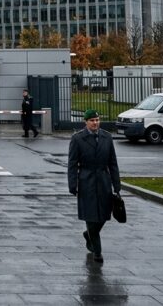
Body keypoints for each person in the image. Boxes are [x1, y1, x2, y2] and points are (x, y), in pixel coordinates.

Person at [68, 109, 121, 263]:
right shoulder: (78, 139)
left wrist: (116, 185)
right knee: (91, 217)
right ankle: (97, 251)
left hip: (104, 181)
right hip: (87, 182)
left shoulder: (107, 137)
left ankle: (88, 234)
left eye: (97, 120)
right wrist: (73, 184)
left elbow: (113, 163)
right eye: (92, 120)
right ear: (86, 122)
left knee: (104, 215)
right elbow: (72, 164)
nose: (95, 123)